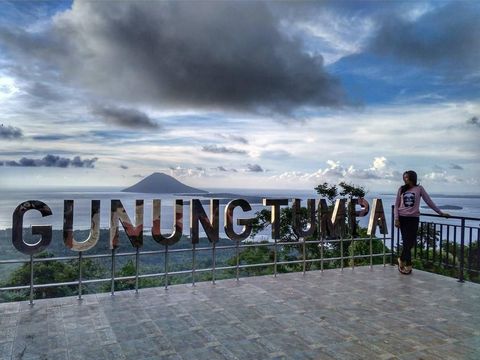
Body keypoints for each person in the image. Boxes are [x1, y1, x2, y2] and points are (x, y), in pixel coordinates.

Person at [394, 170, 449, 274]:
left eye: (407, 177)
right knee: (406, 242)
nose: (405, 179)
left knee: (410, 243)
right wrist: (396, 219)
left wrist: (440, 213)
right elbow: (396, 205)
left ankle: (401, 259)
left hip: (414, 219)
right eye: (404, 177)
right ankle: (409, 265)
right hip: (402, 218)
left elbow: (428, 201)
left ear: (412, 178)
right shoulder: (401, 189)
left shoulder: (419, 189)